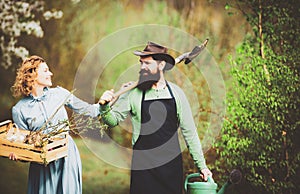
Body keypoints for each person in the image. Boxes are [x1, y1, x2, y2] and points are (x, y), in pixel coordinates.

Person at [99, 41, 213, 194]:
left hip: (171, 169)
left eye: (147, 63)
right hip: (143, 169)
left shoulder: (177, 94)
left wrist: (202, 167)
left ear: (161, 65)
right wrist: (104, 107)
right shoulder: (133, 93)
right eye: (141, 63)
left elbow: (190, 134)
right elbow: (112, 121)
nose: (142, 67)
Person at [10, 55, 101, 194]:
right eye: (45, 70)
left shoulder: (59, 93)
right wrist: (19, 155)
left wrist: (104, 104)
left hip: (66, 155)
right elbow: (25, 145)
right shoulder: (19, 110)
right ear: (32, 75)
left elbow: (90, 110)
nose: (50, 73)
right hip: (42, 162)